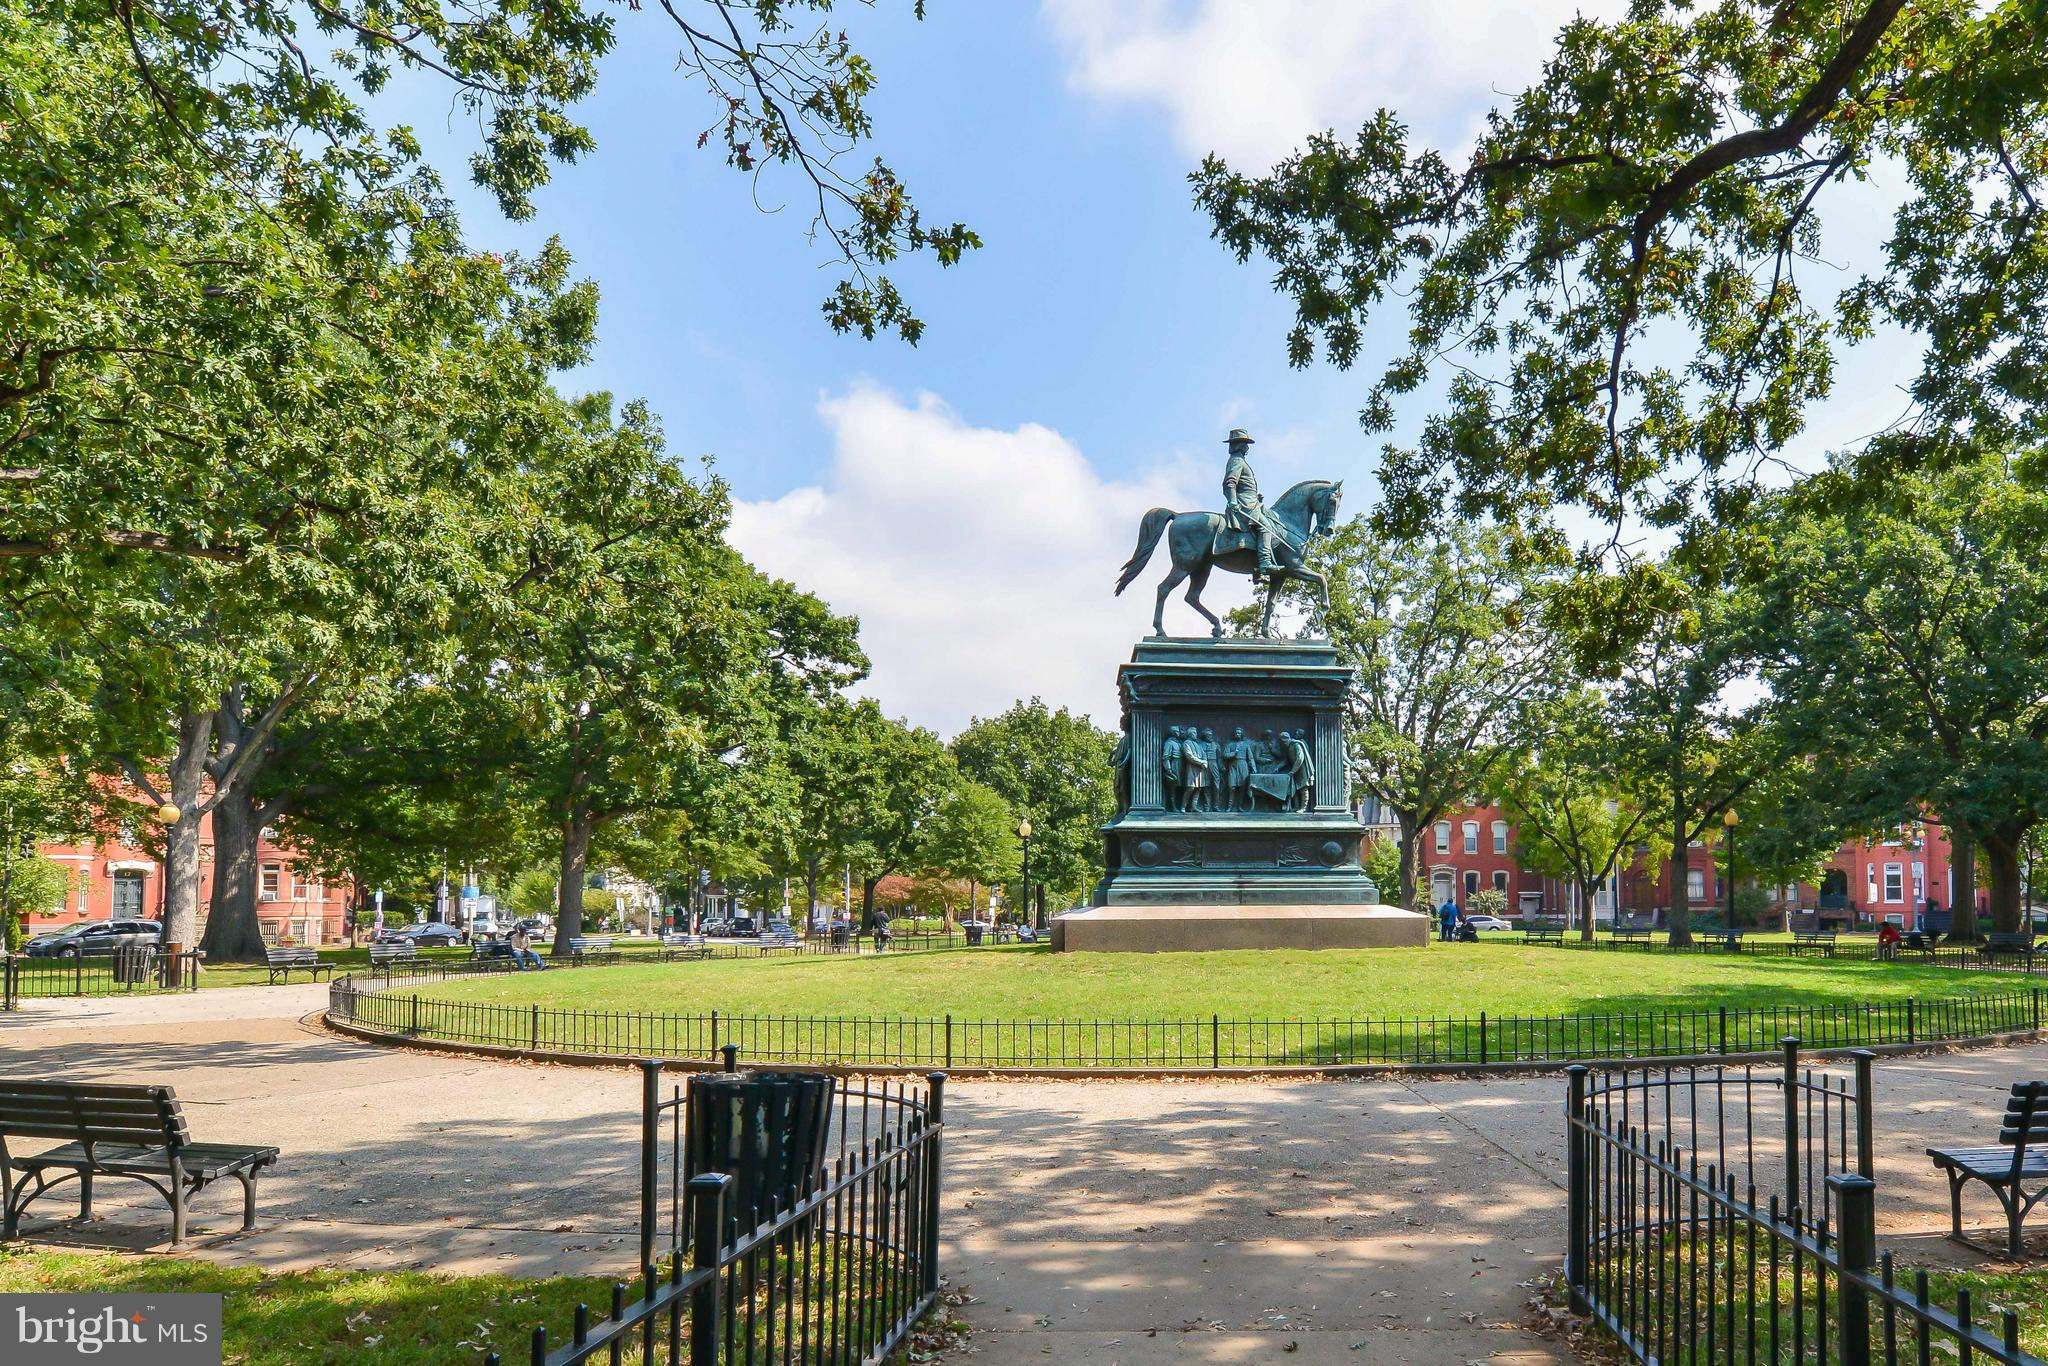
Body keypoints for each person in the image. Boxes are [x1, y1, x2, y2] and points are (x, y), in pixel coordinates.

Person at [1221, 428, 1284, 581]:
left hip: (1252, 502)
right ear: (1239, 445)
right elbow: (1230, 483)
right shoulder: (1237, 461)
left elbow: (1244, 486)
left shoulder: (1240, 461)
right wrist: (1233, 500)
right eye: (1245, 443)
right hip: (1245, 505)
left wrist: (1255, 496)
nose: (1247, 447)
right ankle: (1264, 564)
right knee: (1266, 528)